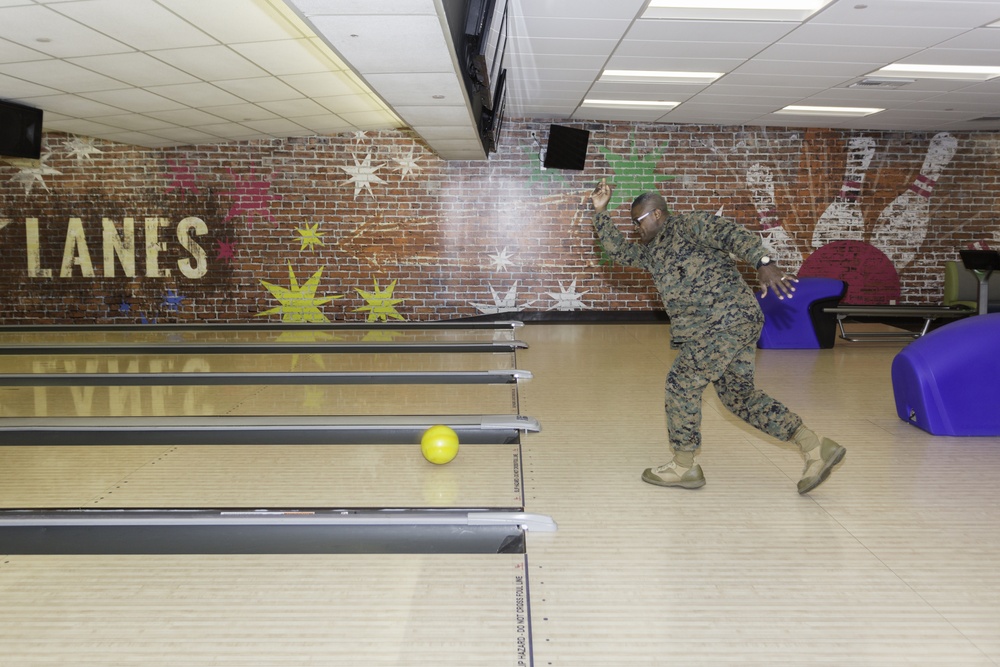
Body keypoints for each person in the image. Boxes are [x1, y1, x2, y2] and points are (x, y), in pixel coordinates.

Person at [589, 179, 845, 494]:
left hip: (724, 320)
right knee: (738, 398)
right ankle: (815, 447)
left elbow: (730, 234)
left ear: (656, 214)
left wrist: (762, 263)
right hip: (726, 326)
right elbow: (619, 251)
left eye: (637, 221)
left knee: (681, 382)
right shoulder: (653, 252)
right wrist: (600, 211)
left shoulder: (689, 225)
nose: (636, 229)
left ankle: (683, 466)